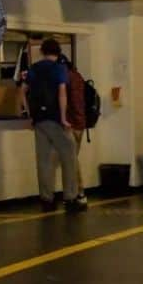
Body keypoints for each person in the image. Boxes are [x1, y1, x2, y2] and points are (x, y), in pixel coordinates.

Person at [20, 38, 85, 213]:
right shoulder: (59, 68)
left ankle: (47, 200)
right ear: (58, 52)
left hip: (39, 120)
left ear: (42, 51)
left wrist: (28, 114)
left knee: (44, 161)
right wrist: (64, 118)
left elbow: (22, 91)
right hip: (55, 119)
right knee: (69, 155)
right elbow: (62, 93)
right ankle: (70, 198)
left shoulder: (34, 68)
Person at [55, 52, 88, 207]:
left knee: (71, 160)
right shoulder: (78, 76)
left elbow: (66, 101)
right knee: (72, 159)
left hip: (70, 124)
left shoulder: (64, 78)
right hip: (80, 124)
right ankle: (73, 194)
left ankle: (79, 193)